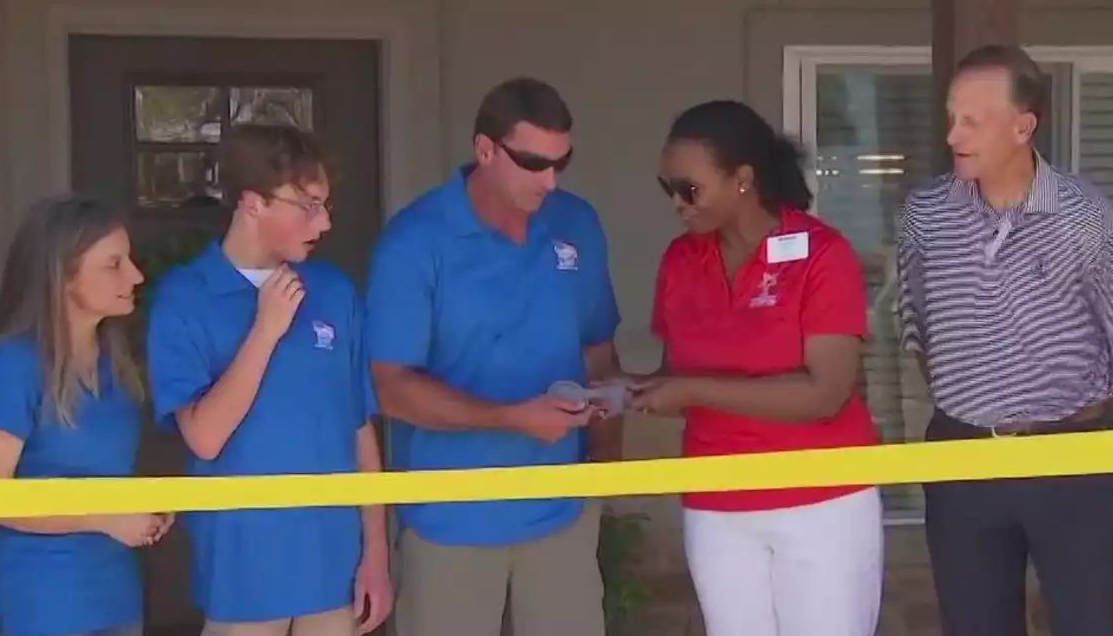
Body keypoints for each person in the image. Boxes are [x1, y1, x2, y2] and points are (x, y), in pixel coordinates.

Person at [897, 44, 1113, 636]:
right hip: (962, 455)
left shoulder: (1083, 214)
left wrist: (1077, 421)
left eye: (972, 120)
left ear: (1023, 125)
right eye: (951, 116)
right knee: (974, 624)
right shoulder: (925, 214)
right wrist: (975, 401)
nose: (953, 134)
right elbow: (915, 325)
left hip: (1071, 453)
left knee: (1098, 623)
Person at [365, 76, 623, 636]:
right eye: (533, 162)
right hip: (449, 518)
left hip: (562, 511)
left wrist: (602, 473)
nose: (550, 179)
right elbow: (391, 387)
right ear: (484, 150)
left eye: (562, 161)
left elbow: (597, 348)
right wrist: (511, 417)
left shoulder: (576, 223)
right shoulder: (414, 241)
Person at [631, 100, 883, 636]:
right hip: (717, 500)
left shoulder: (822, 254)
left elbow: (826, 393)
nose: (676, 203)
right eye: (667, 188)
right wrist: (626, 392)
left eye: (689, 189)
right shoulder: (680, 260)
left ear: (742, 180)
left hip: (822, 500)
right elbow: (676, 374)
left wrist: (692, 388)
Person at [145, 124, 391, 636]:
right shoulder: (186, 297)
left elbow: (359, 429)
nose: (324, 222)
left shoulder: (333, 291)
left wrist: (376, 554)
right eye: (307, 205)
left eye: (326, 205)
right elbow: (204, 437)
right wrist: (265, 330)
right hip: (244, 574)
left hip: (332, 565)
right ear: (252, 203)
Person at [0, 194, 169, 636]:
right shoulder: (13, 365)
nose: (135, 274)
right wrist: (104, 517)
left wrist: (142, 507)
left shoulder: (115, 363)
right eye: (113, 264)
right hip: (37, 601)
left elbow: (99, 476)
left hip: (113, 594)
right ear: (62, 275)